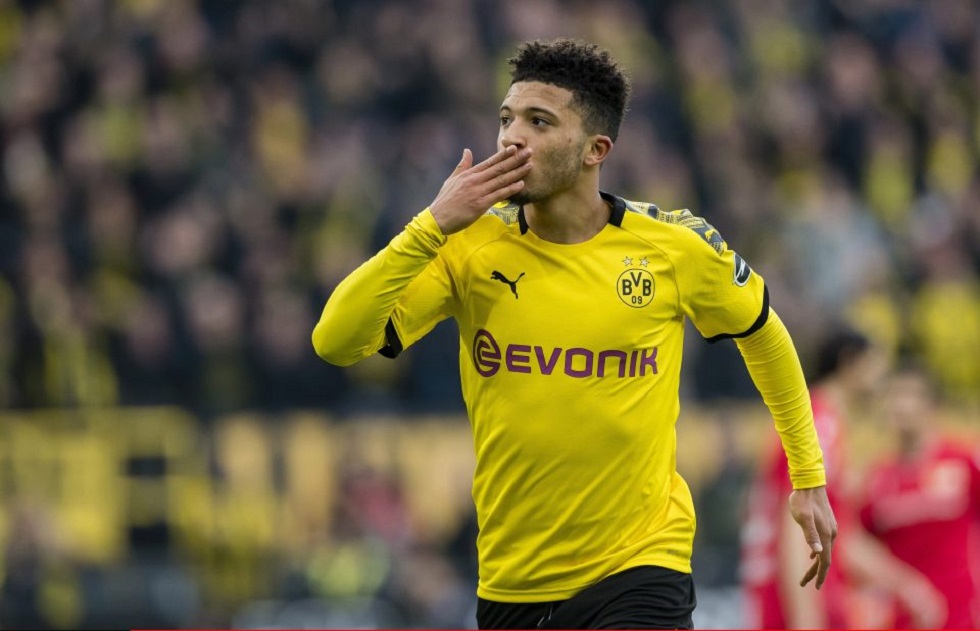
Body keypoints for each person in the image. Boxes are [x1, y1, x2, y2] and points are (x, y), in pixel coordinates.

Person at [313, 38, 835, 630]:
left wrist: (808, 477)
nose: (512, 138)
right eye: (506, 119)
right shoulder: (467, 247)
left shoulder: (671, 248)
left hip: (640, 566)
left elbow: (764, 334)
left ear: (595, 149)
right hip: (513, 580)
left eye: (539, 122)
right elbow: (335, 341)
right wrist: (430, 225)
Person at [741, 329, 945, 629]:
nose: (881, 378)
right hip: (790, 606)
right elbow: (799, 526)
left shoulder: (822, 423)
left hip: (798, 601)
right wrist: (805, 620)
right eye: (875, 363)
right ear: (850, 362)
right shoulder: (816, 424)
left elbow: (841, 537)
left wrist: (905, 585)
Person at [857, 362, 980, 629]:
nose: (902, 405)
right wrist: (901, 585)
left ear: (932, 405)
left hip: (962, 617)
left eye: (910, 394)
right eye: (895, 395)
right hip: (905, 620)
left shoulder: (962, 462)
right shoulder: (878, 479)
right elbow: (853, 544)